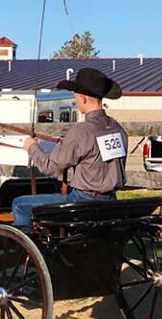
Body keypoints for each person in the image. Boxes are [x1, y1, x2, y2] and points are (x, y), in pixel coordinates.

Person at [11, 67, 127, 227]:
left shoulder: (82, 131)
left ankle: (26, 251)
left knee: (19, 204)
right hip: (110, 201)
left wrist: (31, 147)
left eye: (76, 97)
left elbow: (50, 167)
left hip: (82, 202)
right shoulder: (117, 129)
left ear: (83, 98)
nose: (76, 100)